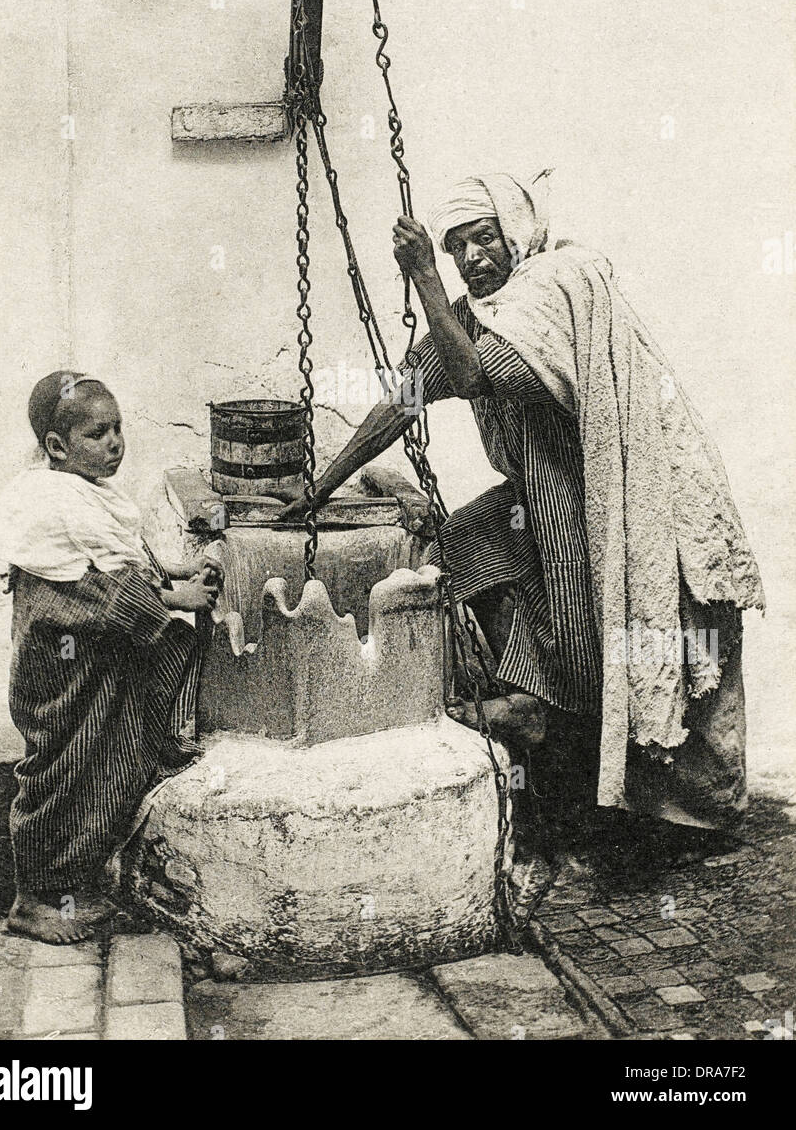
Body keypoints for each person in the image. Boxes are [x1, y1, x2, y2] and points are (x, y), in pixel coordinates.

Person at [279, 172, 765, 859]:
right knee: (460, 548)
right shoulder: (475, 315)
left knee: (589, 643)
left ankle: (630, 807)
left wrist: (420, 277)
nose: (473, 258)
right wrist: (320, 489)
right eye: (455, 249)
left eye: (483, 239)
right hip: (537, 496)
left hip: (601, 497)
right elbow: (403, 399)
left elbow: (477, 374)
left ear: (513, 230)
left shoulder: (545, 292)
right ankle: (532, 718)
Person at [0, 371, 220, 944]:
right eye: (98, 433)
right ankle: (31, 900)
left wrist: (170, 573)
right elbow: (101, 593)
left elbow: (123, 560)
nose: (115, 442)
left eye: (118, 428)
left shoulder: (89, 495)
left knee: (97, 767)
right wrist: (177, 599)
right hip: (58, 676)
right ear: (57, 447)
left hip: (88, 669)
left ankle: (71, 889)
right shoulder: (52, 508)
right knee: (59, 774)